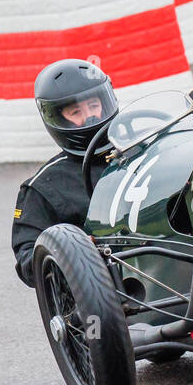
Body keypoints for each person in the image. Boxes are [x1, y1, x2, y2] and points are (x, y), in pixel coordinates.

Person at [11, 59, 118, 288]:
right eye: (76, 111)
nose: (90, 117)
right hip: (102, 285)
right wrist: (73, 251)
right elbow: (28, 258)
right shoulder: (43, 186)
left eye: (94, 106)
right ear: (57, 118)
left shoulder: (137, 150)